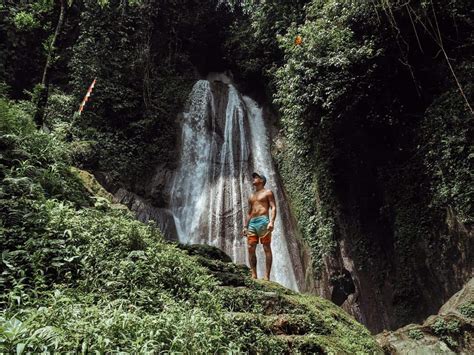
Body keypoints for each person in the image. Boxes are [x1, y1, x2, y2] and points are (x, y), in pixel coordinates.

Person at [242, 172, 276, 280]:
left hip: (263, 221)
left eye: (256, 177)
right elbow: (249, 213)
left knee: (266, 247)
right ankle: (254, 274)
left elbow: (273, 207)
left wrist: (272, 222)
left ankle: (267, 276)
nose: (254, 178)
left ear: (262, 180)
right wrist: (245, 226)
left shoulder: (268, 192)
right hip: (252, 222)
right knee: (250, 247)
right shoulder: (251, 196)